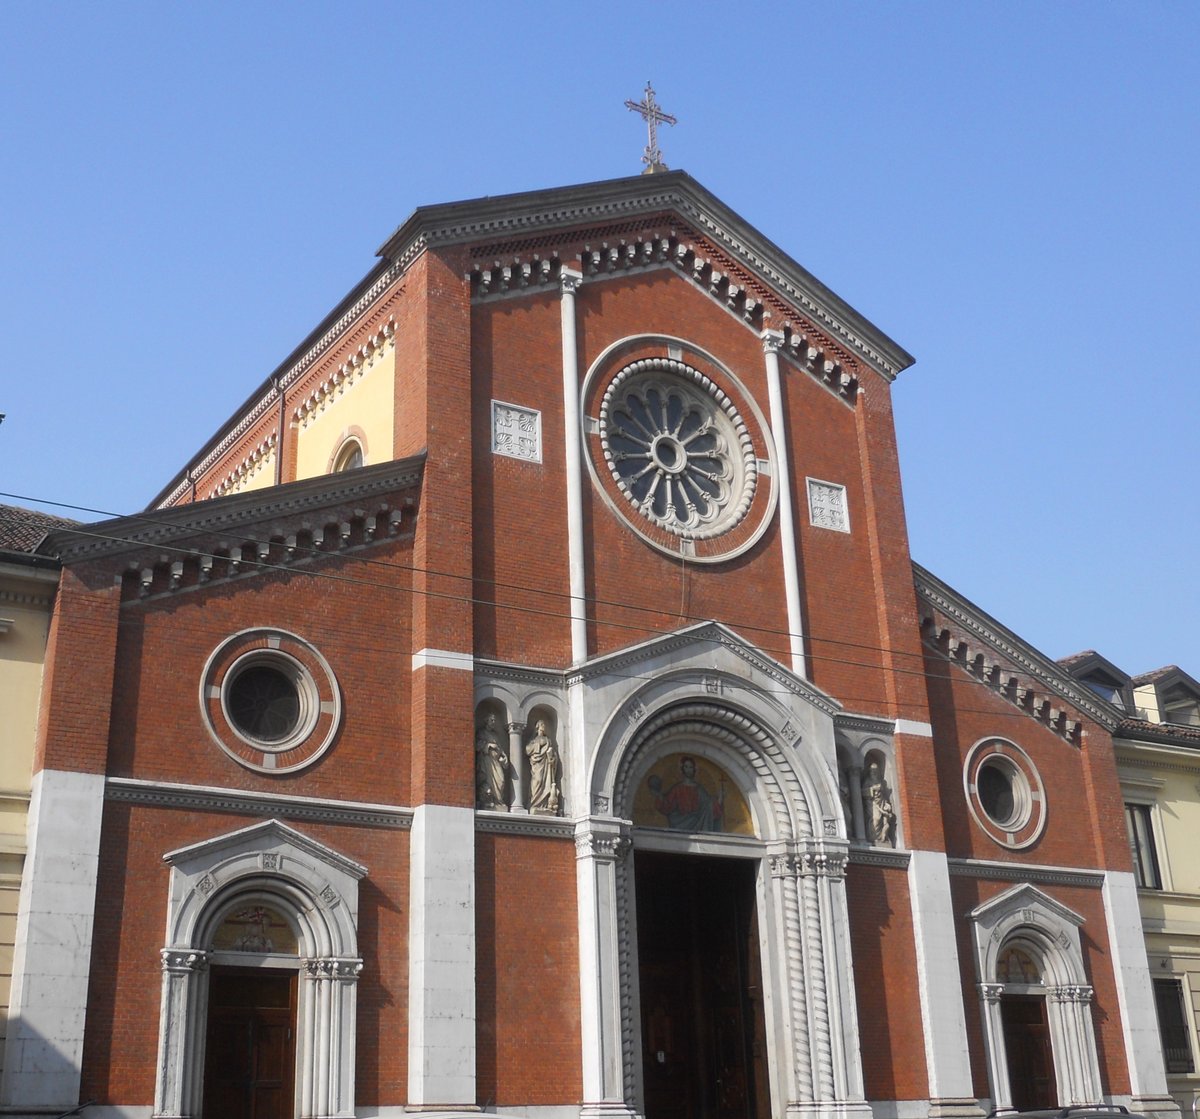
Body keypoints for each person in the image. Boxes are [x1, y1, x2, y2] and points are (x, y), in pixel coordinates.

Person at [647, 755, 724, 832]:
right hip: (680, 822)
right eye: (686, 767)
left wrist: (719, 799)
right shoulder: (677, 788)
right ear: (682, 769)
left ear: (694, 769)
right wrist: (659, 795)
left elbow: (708, 805)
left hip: (698, 822)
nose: (688, 770)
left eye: (690, 767)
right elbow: (667, 805)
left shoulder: (699, 789)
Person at [525, 718, 561, 816]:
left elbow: (553, 754)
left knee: (546, 783)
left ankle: (544, 805)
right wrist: (538, 745)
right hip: (537, 765)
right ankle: (534, 804)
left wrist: (552, 757)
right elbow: (528, 750)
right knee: (537, 781)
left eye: (544, 725)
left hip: (547, 765)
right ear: (538, 727)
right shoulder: (534, 740)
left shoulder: (548, 739)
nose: (544, 727)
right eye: (542, 725)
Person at [475, 713, 509, 810]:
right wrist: (489, 745)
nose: (493, 722)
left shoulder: (495, 735)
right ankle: (489, 801)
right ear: (487, 721)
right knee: (488, 782)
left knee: (501, 781)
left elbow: (499, 748)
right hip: (487, 762)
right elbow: (477, 745)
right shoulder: (481, 732)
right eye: (492, 720)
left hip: (496, 761)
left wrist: (504, 756)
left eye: (494, 720)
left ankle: (499, 801)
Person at [862, 760, 896, 846]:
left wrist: (886, 804)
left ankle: (881, 838)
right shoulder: (868, 781)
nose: (873, 772)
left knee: (882, 821)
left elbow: (884, 794)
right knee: (875, 819)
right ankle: (873, 837)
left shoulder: (881, 782)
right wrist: (872, 789)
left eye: (875, 770)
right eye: (872, 770)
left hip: (881, 802)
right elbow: (862, 792)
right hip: (872, 803)